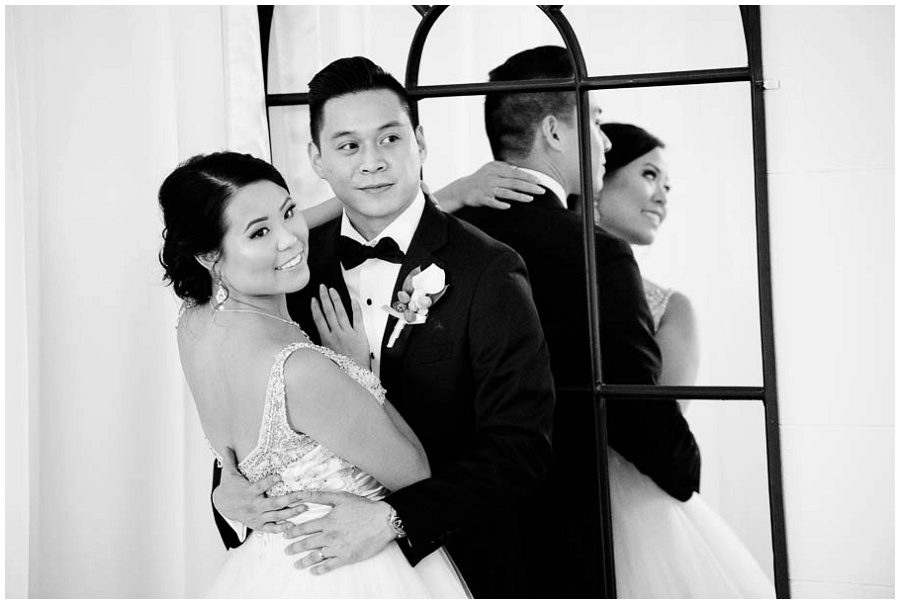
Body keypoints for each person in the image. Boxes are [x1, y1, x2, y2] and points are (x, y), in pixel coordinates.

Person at [209, 57, 556, 598]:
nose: (372, 162)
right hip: (310, 573)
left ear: (420, 141)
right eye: (348, 145)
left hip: (454, 562)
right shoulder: (288, 269)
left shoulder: (488, 269)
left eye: (389, 139)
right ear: (317, 159)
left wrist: (394, 518)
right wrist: (224, 491)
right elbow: (260, 403)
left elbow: (521, 448)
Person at [454, 121, 776, 597]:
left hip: (618, 492)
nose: (663, 196)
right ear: (602, 179)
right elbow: (648, 422)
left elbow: (653, 422)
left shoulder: (671, 306)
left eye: (668, 185)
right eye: (649, 175)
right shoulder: (568, 257)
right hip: (553, 498)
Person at [449, 45, 702, 597]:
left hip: (445, 533)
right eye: (593, 119)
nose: (605, 140)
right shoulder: (596, 254)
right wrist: (687, 471)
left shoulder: (440, 234)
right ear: (553, 132)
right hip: (560, 528)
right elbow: (638, 412)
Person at [159, 152, 469, 597]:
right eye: (261, 232)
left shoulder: (194, 323)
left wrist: (429, 198)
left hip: (267, 569)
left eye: (288, 212)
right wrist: (361, 373)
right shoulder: (298, 370)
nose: (290, 239)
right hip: (347, 571)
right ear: (209, 254)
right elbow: (415, 475)